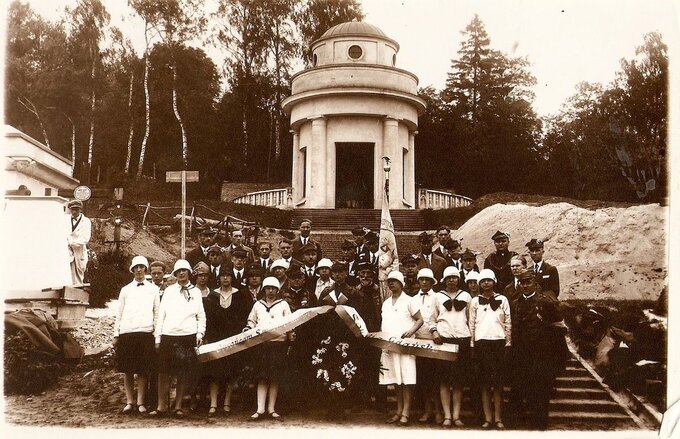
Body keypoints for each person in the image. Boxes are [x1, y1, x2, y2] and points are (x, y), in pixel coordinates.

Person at [510, 268, 568, 430]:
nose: (525, 285)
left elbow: (559, 328)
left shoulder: (545, 303)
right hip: (522, 355)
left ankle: (540, 425)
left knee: (541, 391)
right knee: (525, 388)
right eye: (522, 282)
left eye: (528, 282)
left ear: (535, 283)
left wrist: (556, 356)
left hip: (542, 355)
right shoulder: (515, 303)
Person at [151, 259, 206, 418]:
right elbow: (161, 315)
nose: (182, 273)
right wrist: (158, 337)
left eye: (184, 270)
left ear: (189, 273)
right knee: (164, 373)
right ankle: (161, 406)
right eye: (178, 271)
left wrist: (199, 334)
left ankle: (178, 406)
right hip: (169, 335)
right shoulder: (168, 291)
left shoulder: (196, 292)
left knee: (183, 373)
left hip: (187, 336)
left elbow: (201, 316)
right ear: (175, 274)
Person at [113, 255, 160, 415]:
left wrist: (156, 334)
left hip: (146, 333)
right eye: (136, 267)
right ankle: (129, 401)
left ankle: (140, 402)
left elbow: (157, 313)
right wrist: (116, 334)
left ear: (145, 269)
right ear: (132, 270)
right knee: (127, 370)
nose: (139, 270)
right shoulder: (125, 290)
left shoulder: (154, 289)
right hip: (127, 333)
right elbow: (119, 314)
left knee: (142, 370)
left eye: (141, 267)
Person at [202, 269, 252, 417]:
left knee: (231, 371)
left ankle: (227, 403)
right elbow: (208, 319)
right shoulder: (212, 295)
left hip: (233, 339)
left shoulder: (240, 294)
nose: (225, 278)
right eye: (222, 276)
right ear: (218, 278)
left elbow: (245, 316)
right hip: (216, 339)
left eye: (228, 276)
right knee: (214, 372)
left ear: (232, 278)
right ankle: (213, 404)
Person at [243, 277, 293, 420]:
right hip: (262, 345)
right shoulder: (258, 305)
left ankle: (271, 409)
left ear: (278, 290)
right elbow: (251, 320)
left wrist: (290, 336)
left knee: (274, 377)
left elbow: (289, 322)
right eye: (268, 288)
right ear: (264, 289)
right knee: (262, 377)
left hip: (278, 345)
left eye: (273, 288)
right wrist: (248, 328)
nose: (270, 291)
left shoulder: (283, 304)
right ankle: (260, 409)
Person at [469, 269, 511, 430]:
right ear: (479, 283)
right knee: (485, 383)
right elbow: (471, 324)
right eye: (483, 281)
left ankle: (498, 418)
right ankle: (487, 418)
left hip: (498, 343)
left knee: (498, 384)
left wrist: (508, 343)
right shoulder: (475, 302)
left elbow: (508, 323)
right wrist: (472, 345)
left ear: (494, 282)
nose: (486, 283)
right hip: (482, 344)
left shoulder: (503, 299)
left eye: (489, 280)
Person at [380, 270, 424, 426]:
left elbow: (420, 320)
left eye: (394, 281)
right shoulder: (386, 303)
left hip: (405, 346)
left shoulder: (409, 301)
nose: (391, 283)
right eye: (389, 281)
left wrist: (410, 332)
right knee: (396, 380)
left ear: (401, 283)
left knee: (406, 378)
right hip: (390, 345)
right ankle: (398, 411)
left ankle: (406, 412)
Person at [431, 266, 472, 428]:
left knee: (458, 381)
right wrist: (435, 332)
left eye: (454, 277)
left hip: (462, 341)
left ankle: (456, 415)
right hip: (443, 341)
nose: (452, 280)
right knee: (444, 380)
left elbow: (470, 318)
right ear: (444, 280)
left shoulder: (466, 296)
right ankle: (447, 415)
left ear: (458, 279)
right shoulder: (437, 297)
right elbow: (431, 318)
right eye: (448, 278)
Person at [411, 268, 444, 424]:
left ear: (432, 282)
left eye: (427, 280)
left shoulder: (437, 297)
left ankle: (438, 411)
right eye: (421, 279)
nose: (424, 282)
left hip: (435, 341)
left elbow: (441, 317)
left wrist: (436, 332)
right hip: (419, 341)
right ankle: (427, 410)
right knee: (423, 379)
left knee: (435, 378)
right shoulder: (413, 299)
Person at [66, 199, 91, 286]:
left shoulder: (86, 221)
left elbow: (85, 238)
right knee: (67, 274)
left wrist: (70, 242)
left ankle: (77, 294)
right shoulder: (65, 220)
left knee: (78, 274)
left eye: (76, 209)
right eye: (72, 209)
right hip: (67, 251)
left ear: (80, 210)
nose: (74, 211)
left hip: (79, 251)